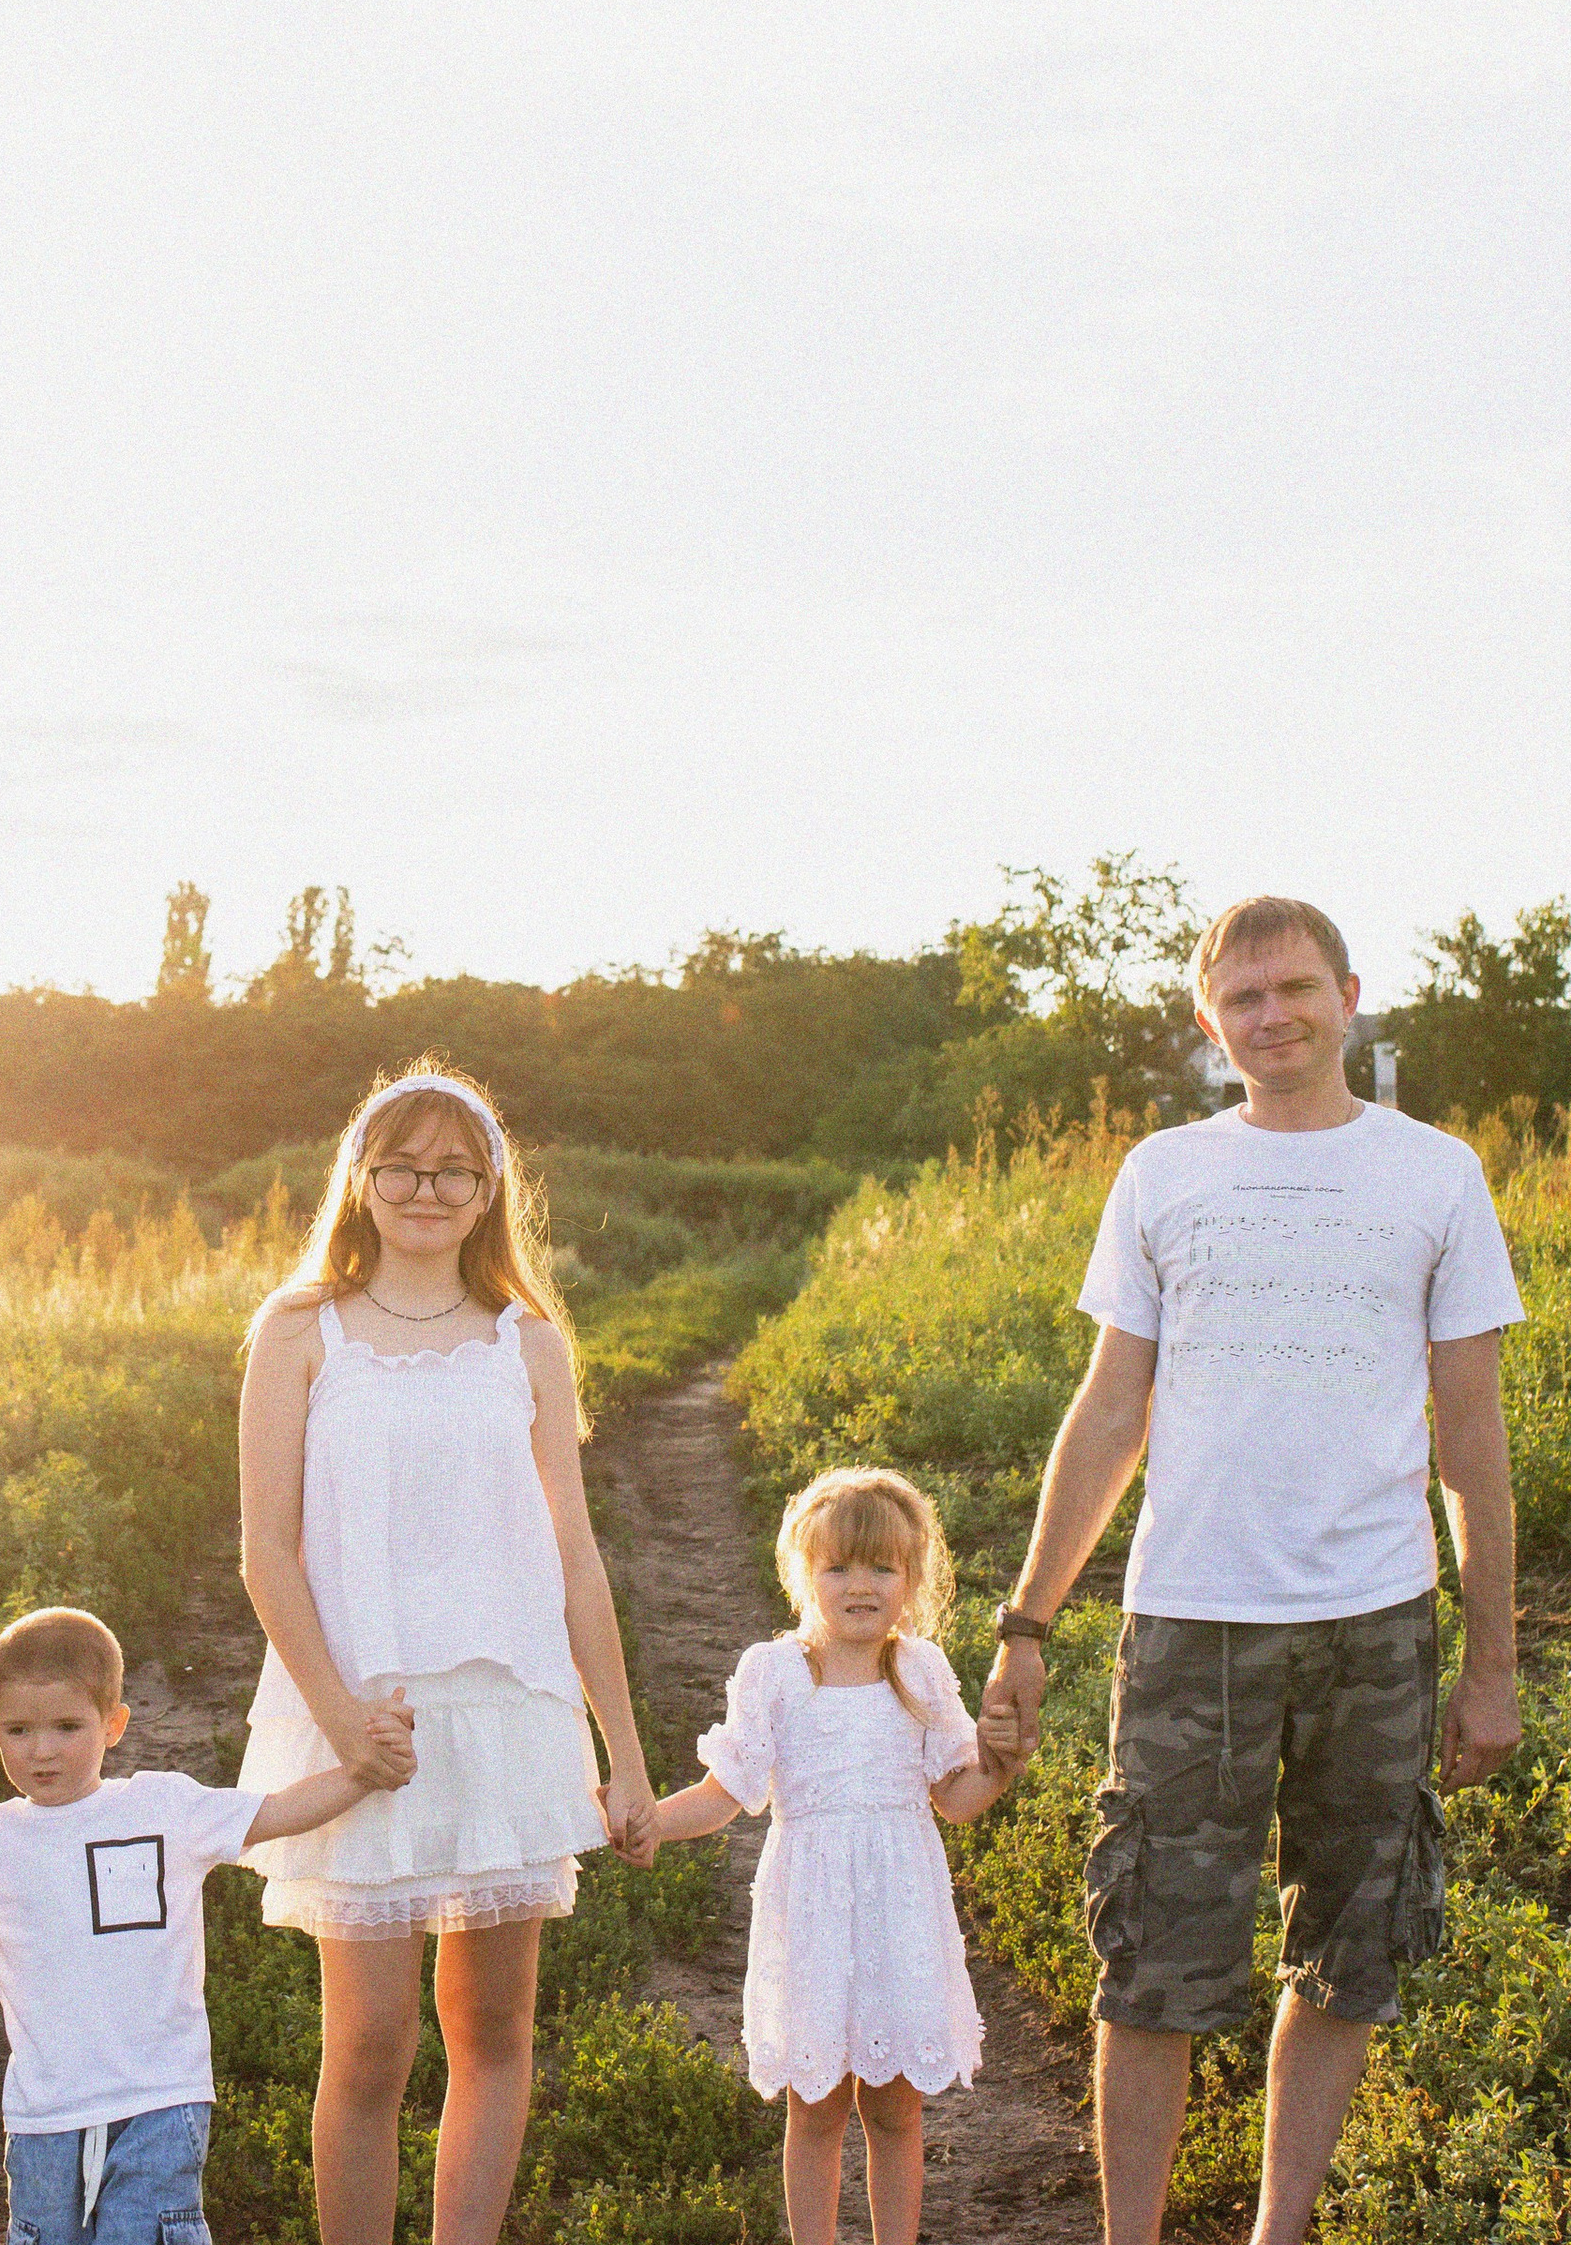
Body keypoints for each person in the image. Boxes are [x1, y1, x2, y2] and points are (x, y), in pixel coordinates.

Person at [978, 896, 1526, 2245]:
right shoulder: (1166, 1172)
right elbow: (1112, 1408)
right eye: (1243, 1000)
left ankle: (1280, 2230)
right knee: (1151, 1962)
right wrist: (1027, 1620)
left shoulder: (1436, 1173)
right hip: (1189, 1624)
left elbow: (1471, 1437)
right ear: (1209, 1018)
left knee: (1353, 1952)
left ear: (1349, 993)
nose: (1272, 1018)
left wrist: (1494, 1662)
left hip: (1376, 1623)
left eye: (1295, 990)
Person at [234, 1063, 658, 2245]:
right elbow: (265, 1549)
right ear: (361, 1182)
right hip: (360, 1714)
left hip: (507, 1711)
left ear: (487, 1191)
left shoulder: (524, 1340)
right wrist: (340, 1722)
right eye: (402, 1166)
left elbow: (574, 1556)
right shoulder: (298, 1327)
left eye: (453, 1169)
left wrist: (623, 1754)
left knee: (492, 2032)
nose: (426, 1188)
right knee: (368, 2043)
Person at [0, 1607, 381, 2245]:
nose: (43, 1750)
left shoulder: (162, 1807)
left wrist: (362, 1773)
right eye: (19, 1729)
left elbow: (280, 1811)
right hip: (45, 2115)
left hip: (159, 2099)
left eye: (68, 1726)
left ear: (113, 1723)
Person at [652, 1467, 1019, 2245]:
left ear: (913, 1579)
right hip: (812, 1909)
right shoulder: (775, 1672)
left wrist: (1002, 1763)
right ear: (801, 1575)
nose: (862, 1585)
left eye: (883, 1567)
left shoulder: (920, 1670)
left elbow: (955, 1798)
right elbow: (728, 1791)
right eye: (838, 1567)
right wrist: (652, 1821)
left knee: (893, 2105)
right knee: (815, 2104)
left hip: (899, 1908)